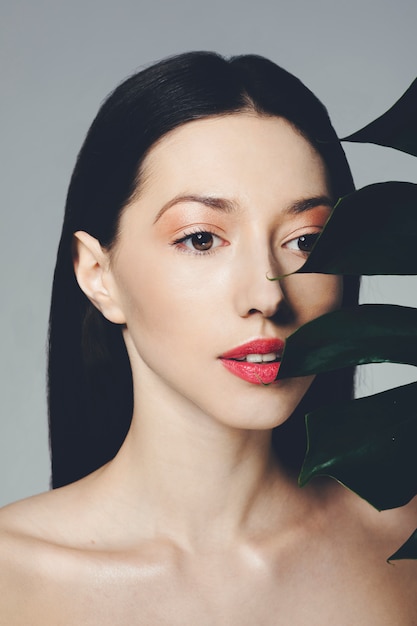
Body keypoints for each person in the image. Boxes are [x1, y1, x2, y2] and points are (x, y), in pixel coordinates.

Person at [0, 51, 416, 625]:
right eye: (201, 239)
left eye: (304, 242)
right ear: (99, 276)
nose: (267, 296)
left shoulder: (402, 545)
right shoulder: (12, 576)